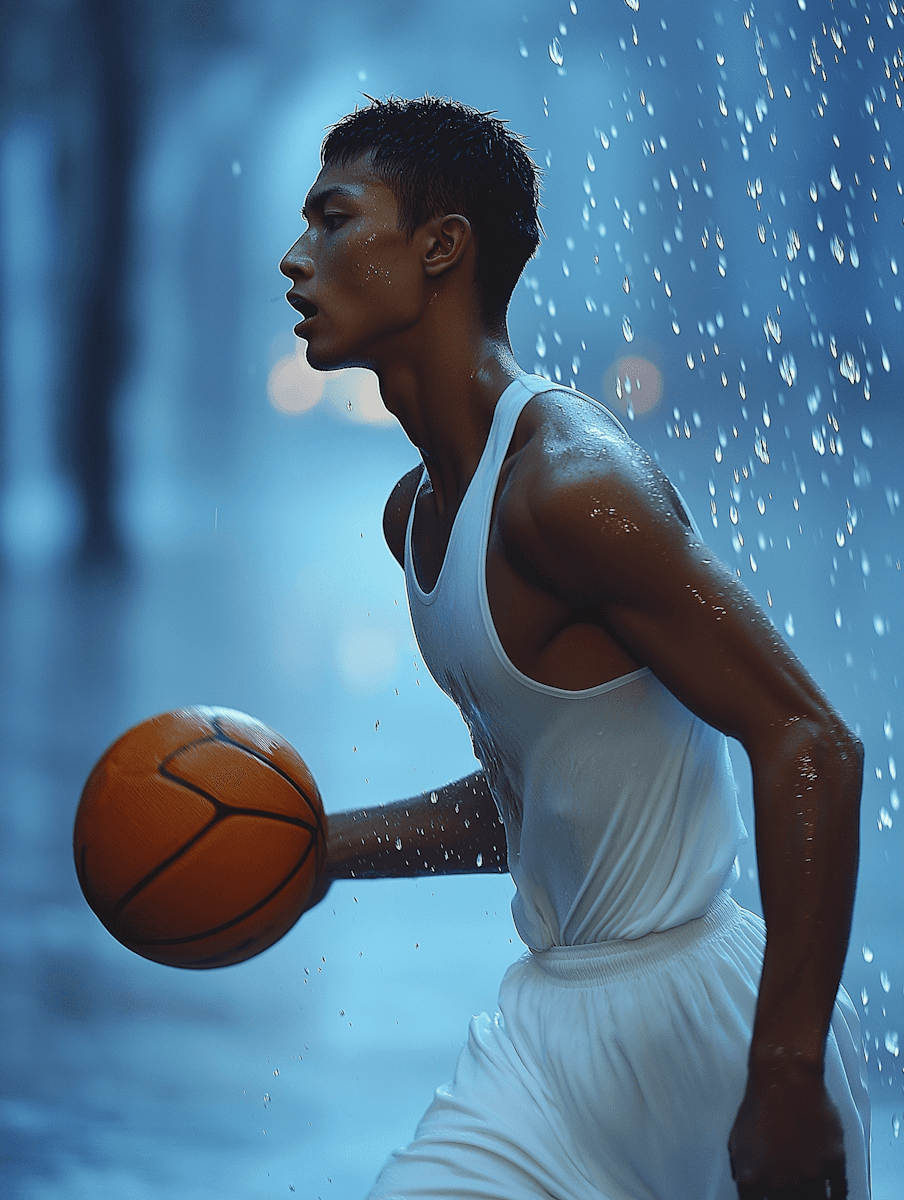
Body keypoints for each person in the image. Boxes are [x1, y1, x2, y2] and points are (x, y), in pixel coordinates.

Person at [279, 95, 871, 1200]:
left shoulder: (569, 489)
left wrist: (784, 1071)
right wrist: (319, 850)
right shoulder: (415, 514)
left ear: (440, 247)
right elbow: (545, 795)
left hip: (709, 1028)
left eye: (333, 220)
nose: (296, 258)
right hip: (548, 1031)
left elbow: (809, 741)